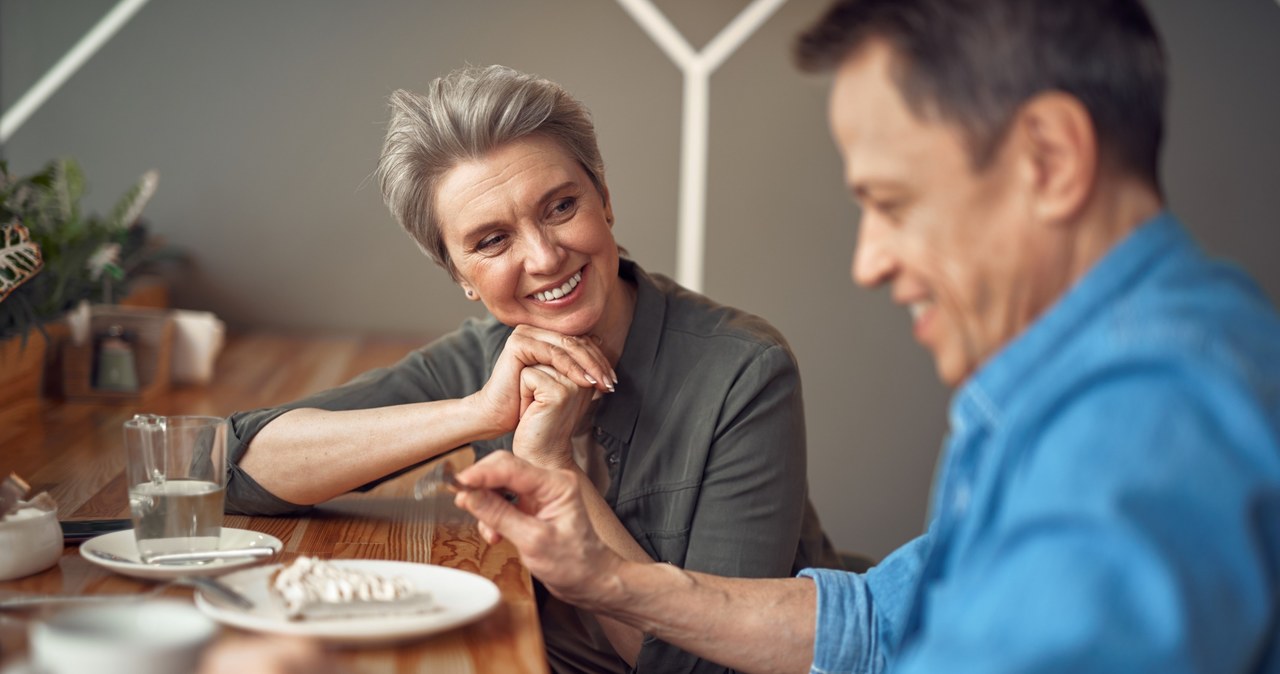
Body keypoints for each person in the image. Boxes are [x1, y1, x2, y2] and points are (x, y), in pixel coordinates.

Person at [452, 1, 1280, 672]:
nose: (869, 261)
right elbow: (882, 618)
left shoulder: (1143, 427)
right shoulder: (1106, 369)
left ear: (1051, 159)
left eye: (891, 203)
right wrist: (609, 583)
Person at [223, 65, 838, 672]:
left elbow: (706, 666)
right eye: (491, 241)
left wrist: (549, 465)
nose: (544, 257)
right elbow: (240, 467)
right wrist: (478, 412)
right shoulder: (485, 357)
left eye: (561, 206)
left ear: (605, 200)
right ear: (460, 277)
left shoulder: (746, 372)